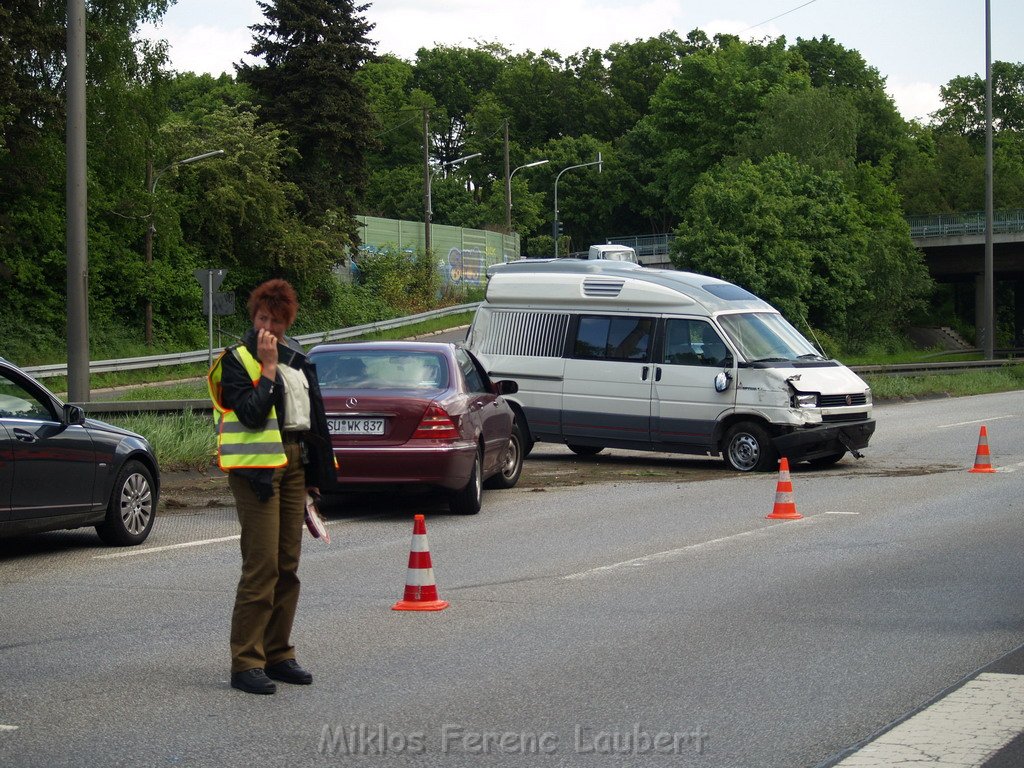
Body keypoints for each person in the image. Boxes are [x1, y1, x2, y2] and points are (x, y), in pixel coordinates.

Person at [207, 279, 336, 695]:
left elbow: (313, 421)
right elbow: (248, 413)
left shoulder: (297, 360)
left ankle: (278, 653)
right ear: (253, 316)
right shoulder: (236, 360)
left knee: (287, 566)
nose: (270, 328)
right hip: (257, 472)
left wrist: (317, 477)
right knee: (260, 566)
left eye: (278, 321)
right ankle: (246, 662)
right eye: (264, 318)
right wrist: (265, 369)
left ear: (287, 322)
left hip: (294, 464)